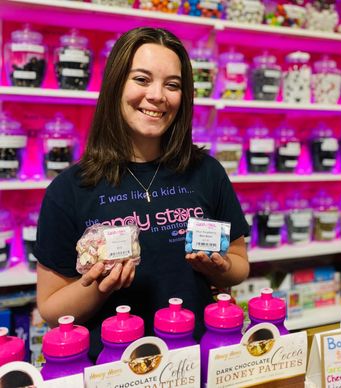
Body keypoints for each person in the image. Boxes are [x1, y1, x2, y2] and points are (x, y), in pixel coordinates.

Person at [34, 27, 250, 360]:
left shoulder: (207, 172)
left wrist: (218, 268)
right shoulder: (70, 189)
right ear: (116, 83)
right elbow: (51, 309)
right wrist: (98, 287)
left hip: (198, 359)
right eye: (142, 79)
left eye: (173, 85)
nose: (158, 95)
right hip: (112, 365)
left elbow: (240, 267)